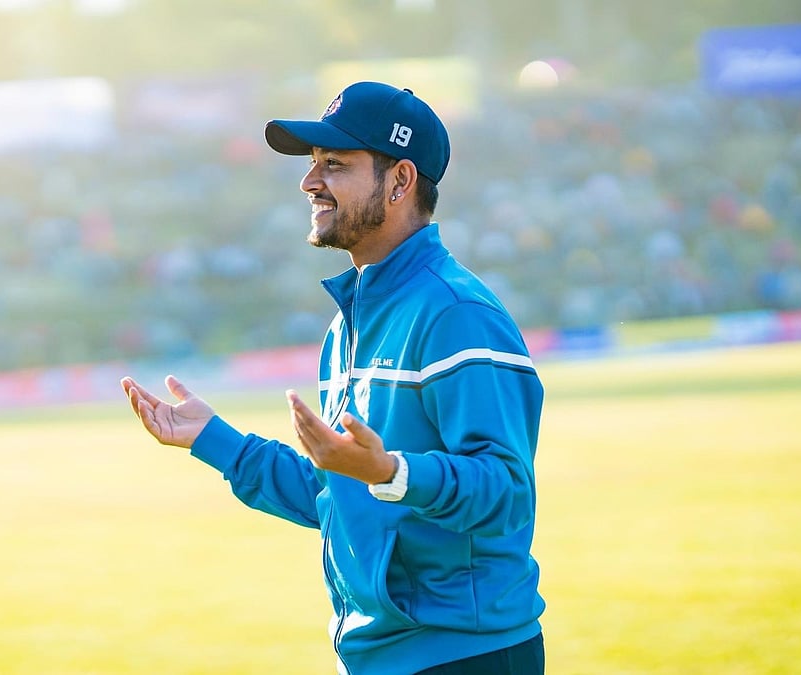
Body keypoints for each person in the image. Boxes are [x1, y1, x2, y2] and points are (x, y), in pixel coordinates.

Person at [121, 81, 545, 675]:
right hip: (379, 656)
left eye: (335, 165)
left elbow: (505, 492)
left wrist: (392, 471)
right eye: (315, 164)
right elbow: (338, 497)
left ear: (400, 181)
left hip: (461, 654)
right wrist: (213, 440)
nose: (309, 182)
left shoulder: (456, 314)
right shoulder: (346, 327)